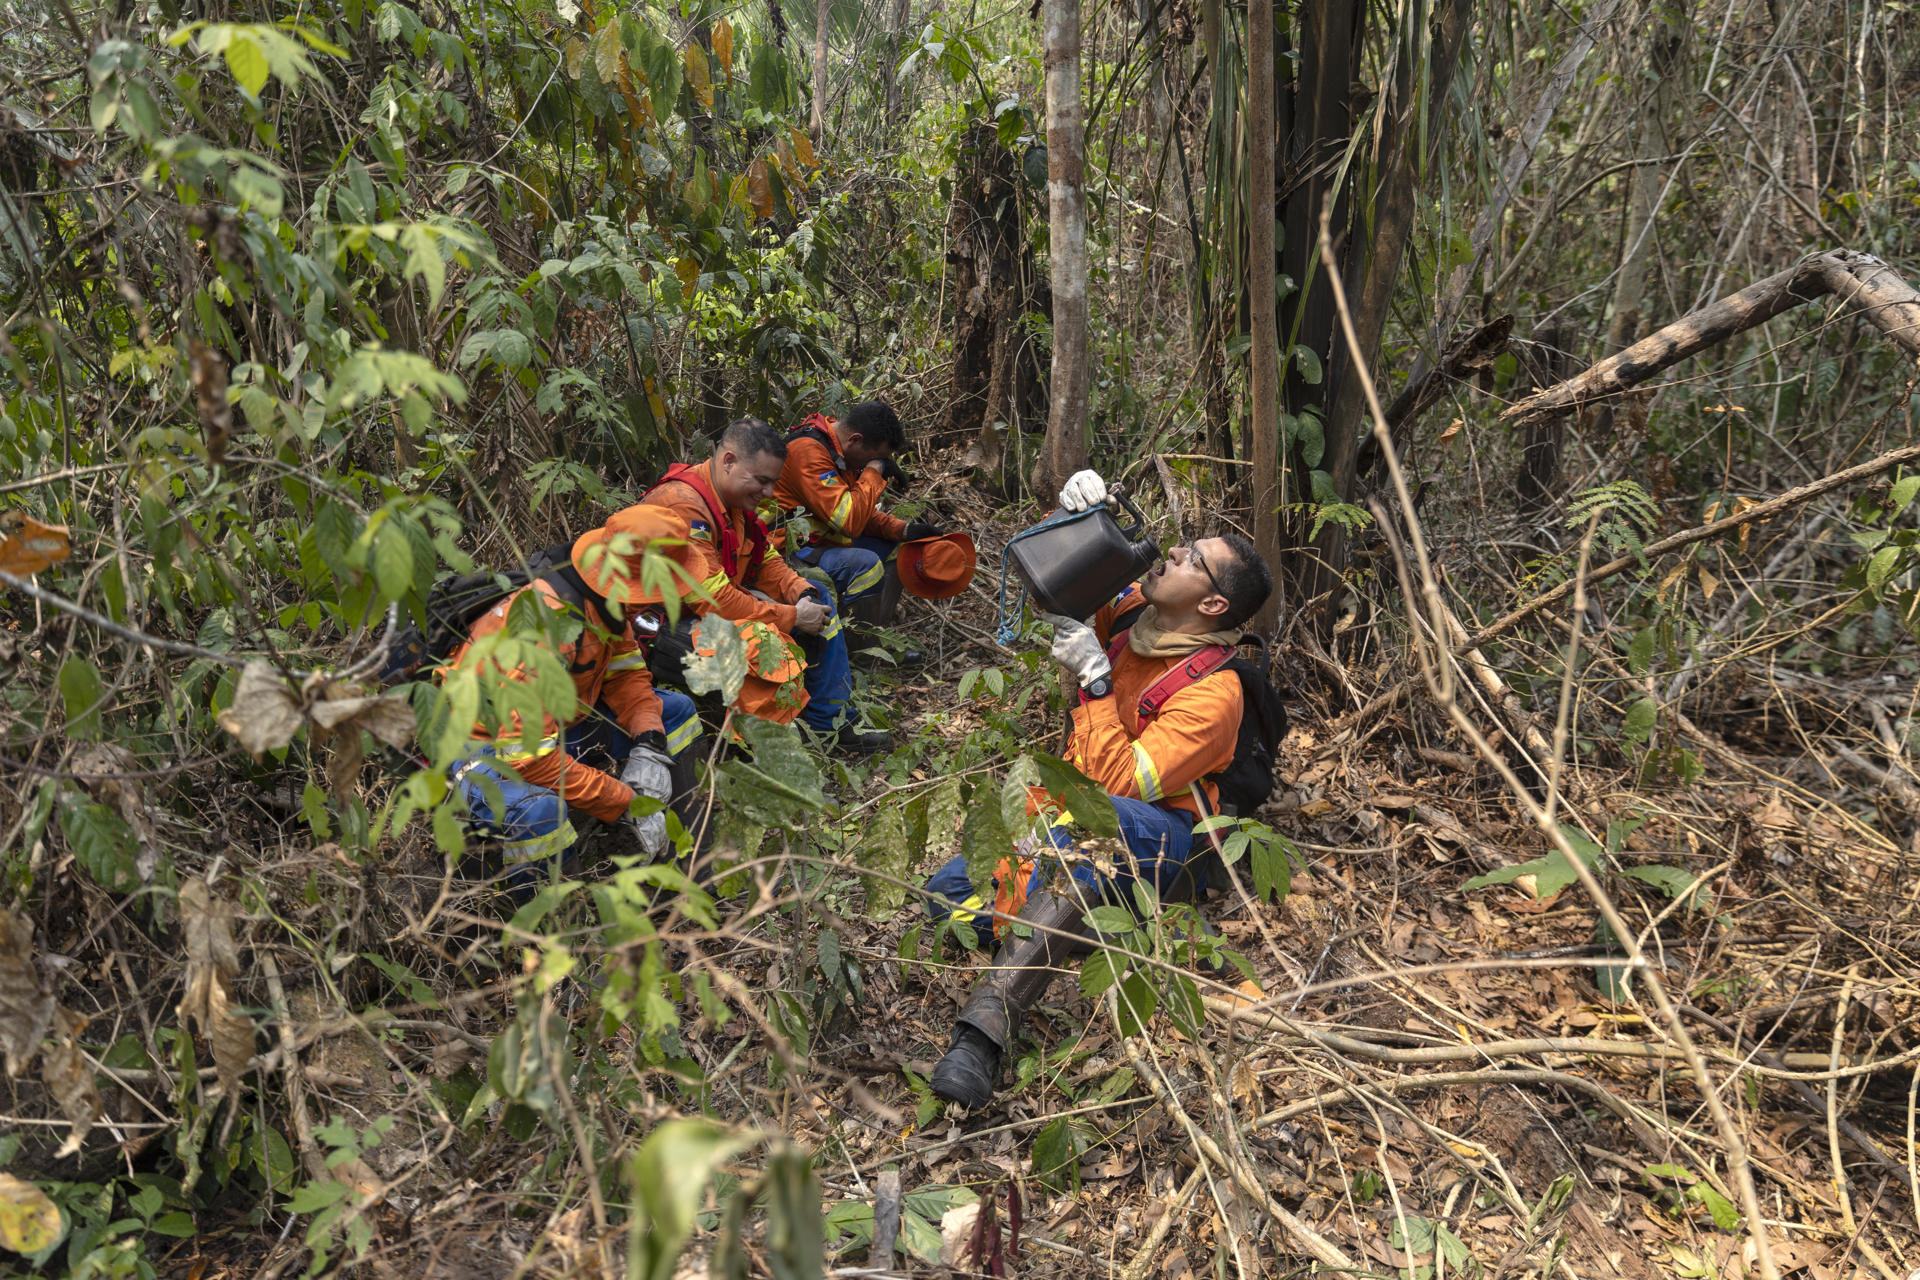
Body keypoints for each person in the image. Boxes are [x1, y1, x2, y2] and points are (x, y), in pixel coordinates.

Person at [923, 468, 1275, 1108]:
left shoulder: (1216, 695)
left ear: (1214, 605)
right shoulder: (1140, 612)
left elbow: (1116, 785)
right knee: (944, 897)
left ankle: (983, 1035)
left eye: (1191, 558)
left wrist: (1092, 682)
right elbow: (1062, 596)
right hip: (1080, 811)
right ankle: (1062, 920)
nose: (1173, 551)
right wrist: (1078, 520)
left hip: (1170, 839)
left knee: (1092, 830)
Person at [443, 505, 705, 892]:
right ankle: (551, 930)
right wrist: (625, 802)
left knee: (676, 713)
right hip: (487, 747)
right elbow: (528, 757)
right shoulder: (549, 627)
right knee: (541, 814)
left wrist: (649, 743)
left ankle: (689, 861)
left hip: (560, 725)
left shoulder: (605, 602)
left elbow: (627, 673)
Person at [643, 417, 889, 753]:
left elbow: (764, 558)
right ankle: (769, 762)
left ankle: (830, 724)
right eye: (761, 481)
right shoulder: (683, 506)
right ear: (728, 461)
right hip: (653, 628)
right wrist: (790, 616)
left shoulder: (729, 500)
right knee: (765, 644)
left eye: (772, 482)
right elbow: (715, 601)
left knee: (819, 600)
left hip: (698, 613)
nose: (769, 493)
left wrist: (799, 591)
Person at [773, 402, 943, 644]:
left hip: (819, 540)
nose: (870, 465)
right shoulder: (810, 452)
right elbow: (848, 520)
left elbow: (854, 508)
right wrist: (873, 472)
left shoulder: (838, 451)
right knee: (867, 564)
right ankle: (861, 650)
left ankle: (881, 636)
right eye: (872, 457)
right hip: (789, 551)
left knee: (897, 547)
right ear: (854, 439)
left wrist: (903, 529)